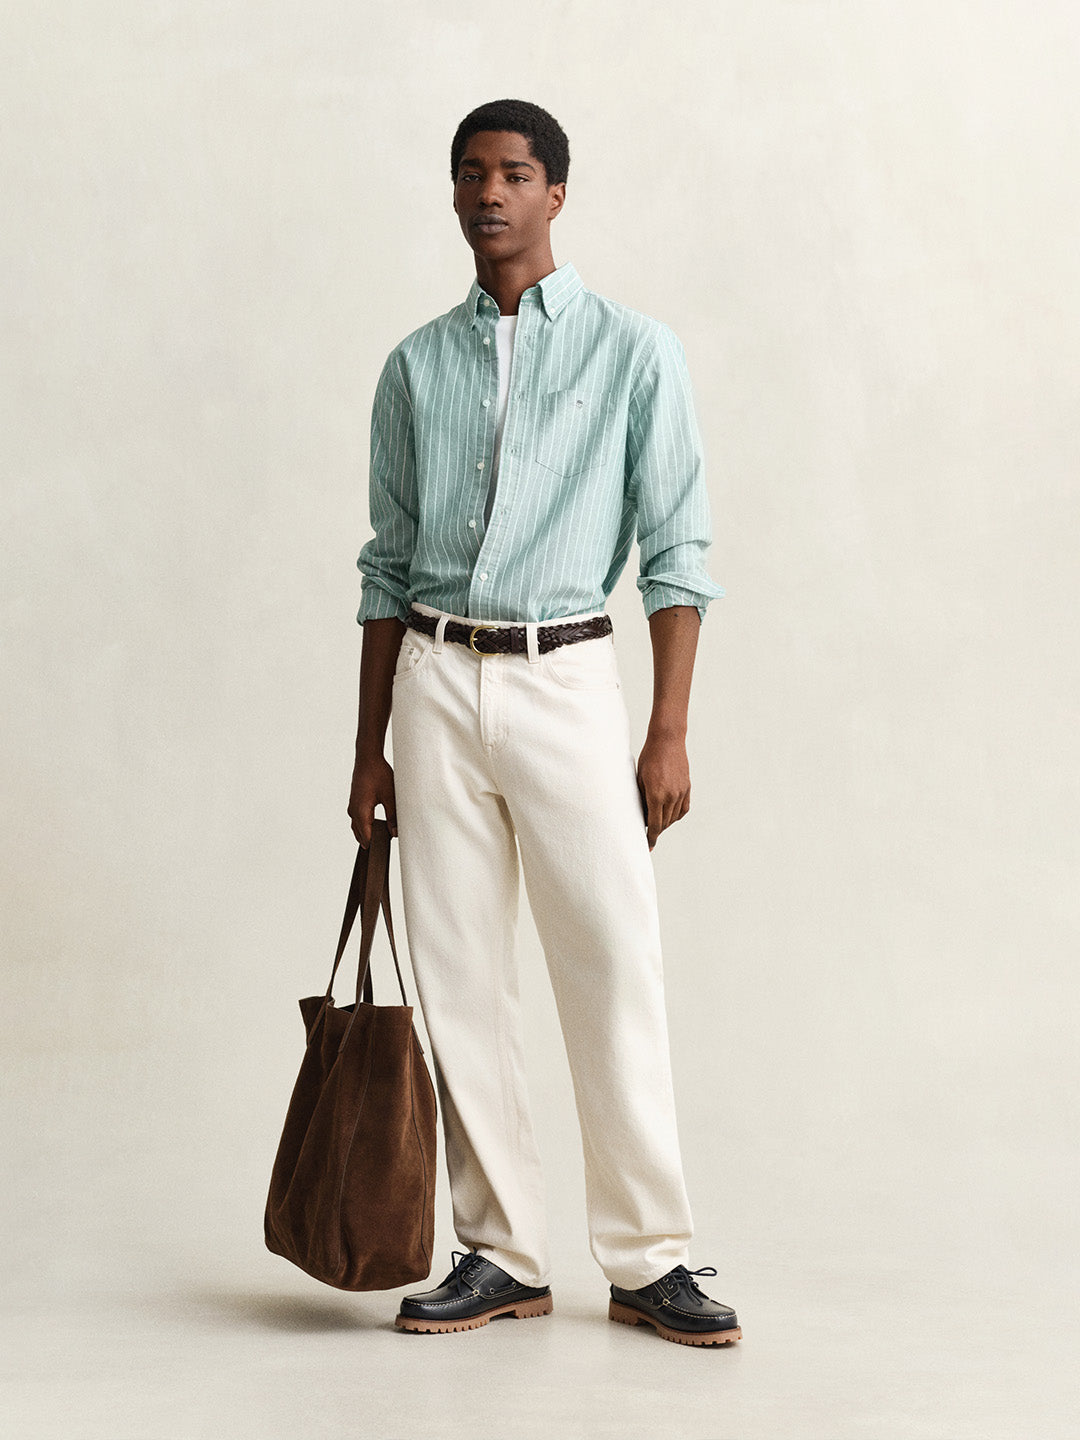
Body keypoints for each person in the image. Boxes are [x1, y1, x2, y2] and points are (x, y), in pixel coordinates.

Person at [348, 98, 740, 1347]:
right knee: (461, 975)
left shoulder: (635, 352)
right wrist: (368, 747)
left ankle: (649, 1256)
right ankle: (501, 1254)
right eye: (472, 173)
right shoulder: (415, 367)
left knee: (612, 963)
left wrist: (669, 728)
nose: (491, 193)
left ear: (556, 193)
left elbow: (677, 552)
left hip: (567, 676)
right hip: (435, 684)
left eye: (516, 173)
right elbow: (385, 567)